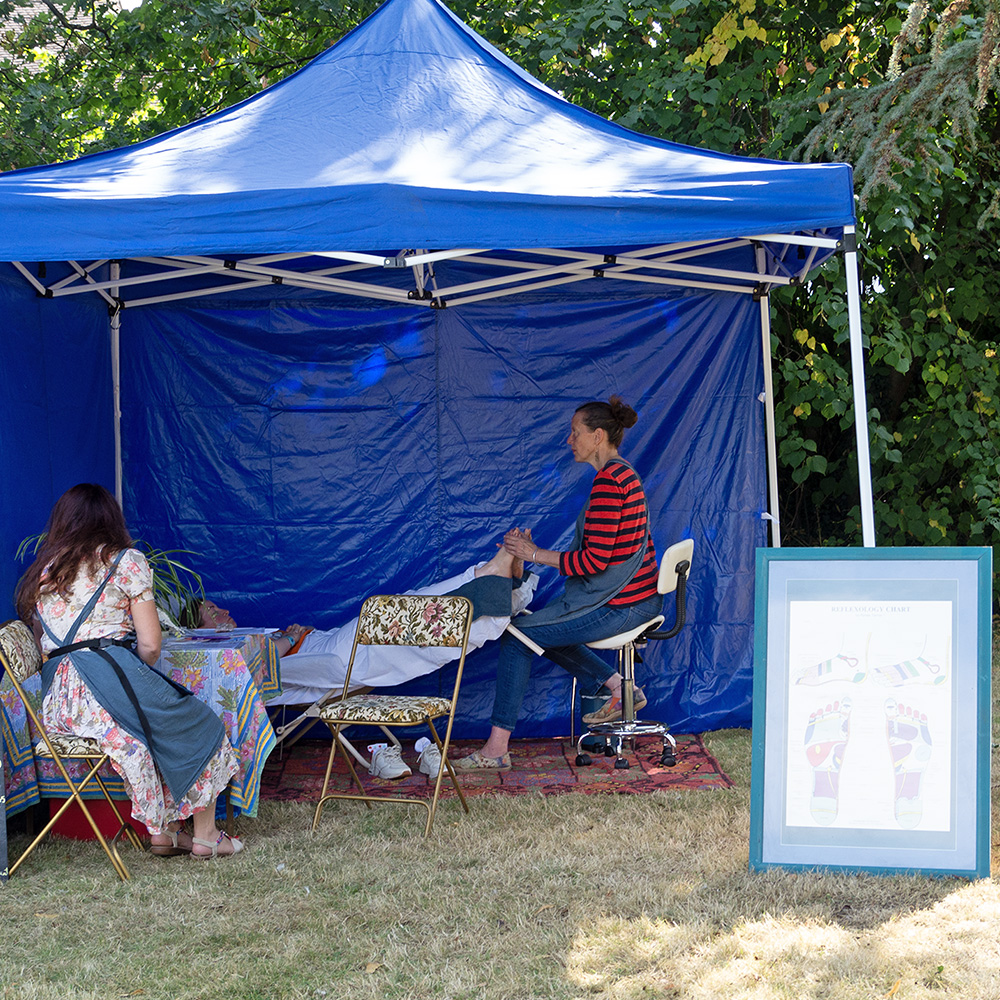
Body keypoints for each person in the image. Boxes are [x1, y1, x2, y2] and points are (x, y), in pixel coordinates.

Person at [14, 484, 243, 858]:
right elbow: (151, 645)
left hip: (59, 700)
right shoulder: (126, 562)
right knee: (198, 722)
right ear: (110, 521)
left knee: (153, 725)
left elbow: (45, 643)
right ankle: (206, 835)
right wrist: (134, 678)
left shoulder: (47, 572)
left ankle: (167, 833)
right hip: (105, 679)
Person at [453, 395, 662, 772]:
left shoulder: (609, 485)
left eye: (574, 433)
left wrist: (532, 553)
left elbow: (593, 562)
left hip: (622, 607)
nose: (569, 440)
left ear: (598, 436)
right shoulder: (624, 474)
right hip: (637, 601)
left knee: (516, 635)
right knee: (531, 628)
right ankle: (616, 684)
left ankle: (497, 749)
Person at [186, 544, 539, 695]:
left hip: (325, 643)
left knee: (407, 610)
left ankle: (489, 578)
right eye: (212, 613)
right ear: (198, 629)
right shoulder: (215, 654)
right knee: (413, 634)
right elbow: (260, 663)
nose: (224, 612)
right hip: (330, 658)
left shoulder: (236, 637)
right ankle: (492, 587)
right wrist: (288, 639)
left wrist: (291, 637)